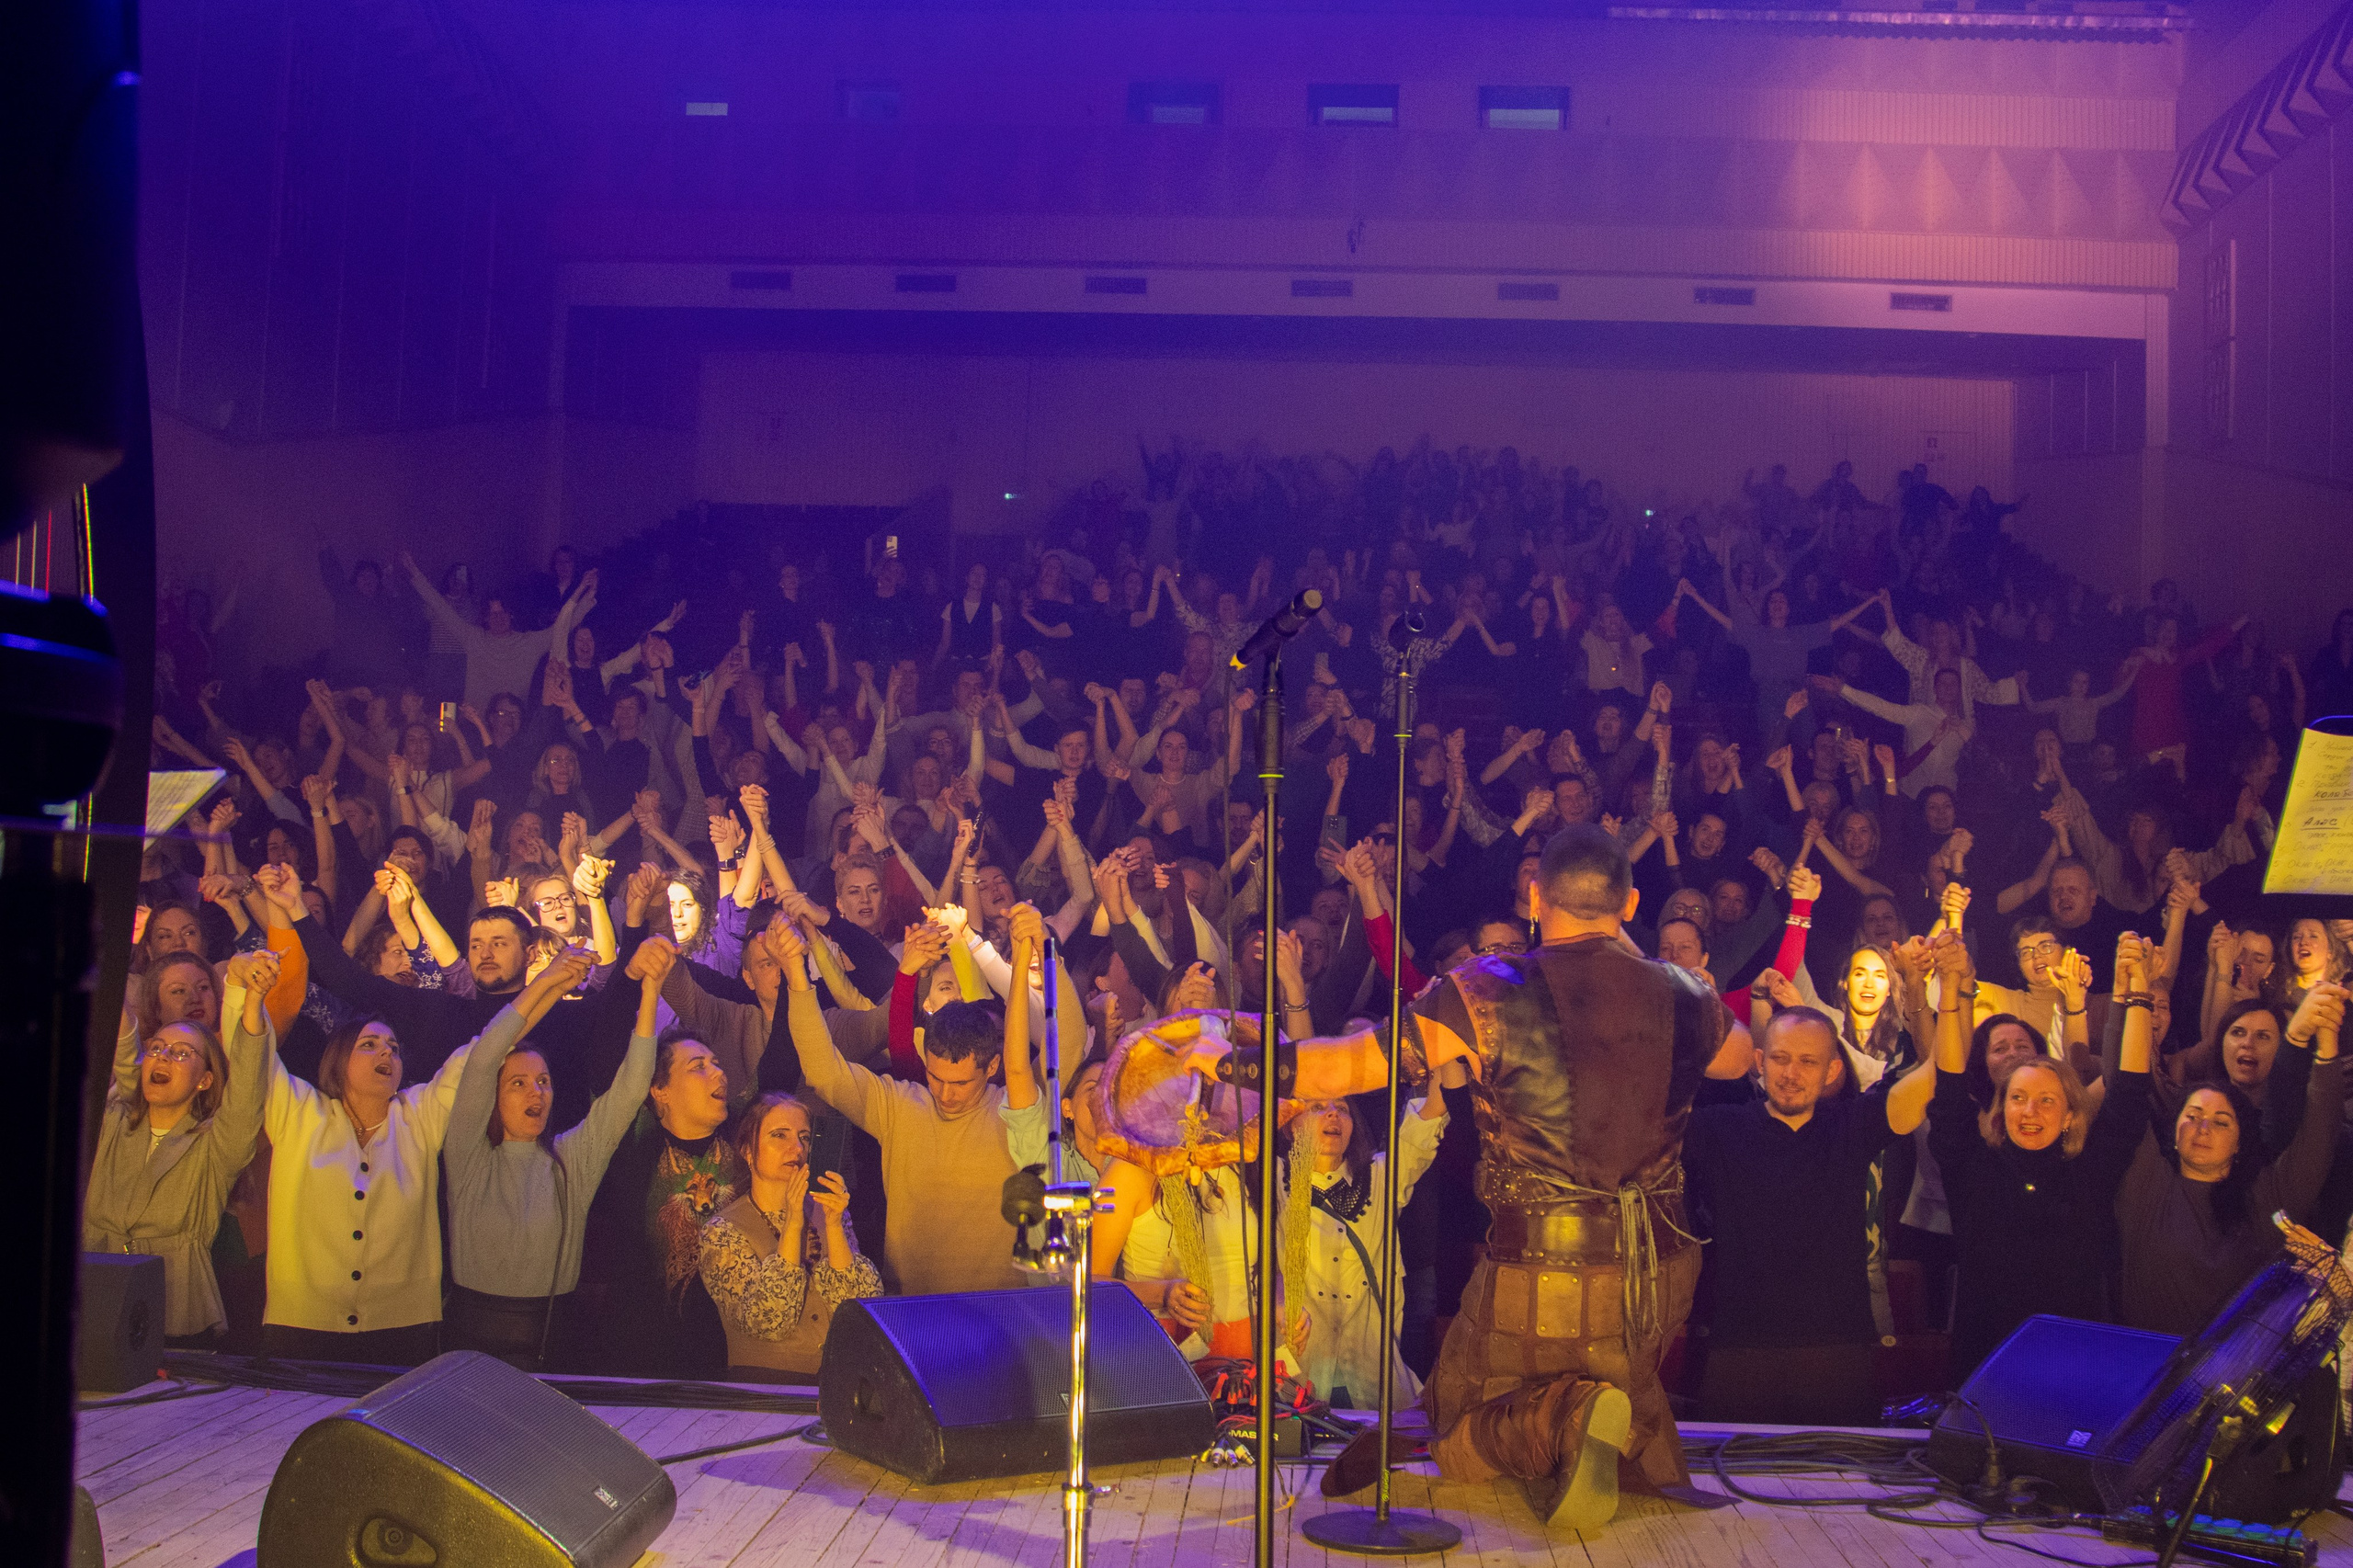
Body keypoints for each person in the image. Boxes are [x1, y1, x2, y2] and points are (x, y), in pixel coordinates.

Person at [1179, 824, 1756, 1530]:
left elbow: (1349, 1067)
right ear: (1631, 903)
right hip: (1659, 1275)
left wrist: (1226, 1060)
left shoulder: (1487, 988)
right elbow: (1740, 1058)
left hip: (1543, 1276)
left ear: (1537, 898)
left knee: (1459, 1416)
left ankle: (1570, 1422)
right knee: (1610, 1383)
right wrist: (1647, 964)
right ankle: (1590, 1425)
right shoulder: (1685, 993)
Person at [1684, 1006, 1932, 1425]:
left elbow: (1931, 1082)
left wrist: (1942, 992)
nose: (1791, 1073)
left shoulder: (1852, 1125)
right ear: (1760, 1062)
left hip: (1838, 1350)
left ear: (1832, 1070)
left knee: (1845, 1483)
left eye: (1807, 1061)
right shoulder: (1716, 1129)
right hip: (1738, 1351)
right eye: (1780, 1058)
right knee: (1730, 1480)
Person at [778, 911, 1035, 1296]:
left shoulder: (1017, 1115)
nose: (945, 1095)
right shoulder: (898, 1104)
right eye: (935, 1078)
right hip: (912, 1314)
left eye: (960, 1082)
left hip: (1001, 1318)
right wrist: (797, 978)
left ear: (993, 1065)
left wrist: (1031, 954)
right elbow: (823, 1072)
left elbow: (1066, 1044)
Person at [1928, 930, 2148, 1379]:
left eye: (2047, 1101)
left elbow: (2130, 1094)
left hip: (2073, 1369)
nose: (2031, 1111)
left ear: (2070, 1114)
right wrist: (1949, 990)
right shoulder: (1970, 1165)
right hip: (1984, 1370)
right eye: (2018, 1098)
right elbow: (1949, 1088)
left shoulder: (2090, 1170)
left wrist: (2139, 992)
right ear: (2000, 1108)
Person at [442, 941, 660, 1369]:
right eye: (519, 1083)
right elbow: (486, 1055)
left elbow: (631, 1090)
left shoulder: (570, 1161)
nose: (536, 1091)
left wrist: (651, 991)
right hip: (471, 1344)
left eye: (543, 1081)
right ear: (493, 1097)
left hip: (553, 1342)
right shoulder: (469, 1156)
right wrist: (548, 982)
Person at [2112, 975, 2345, 1336]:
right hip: (2145, 1374)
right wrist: (2130, 994)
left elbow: (2319, 1132)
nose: (2203, 1128)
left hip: (2232, 1385)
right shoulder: (2146, 1188)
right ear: (2173, 1132)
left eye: (2221, 1122)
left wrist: (2326, 1039)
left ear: (2240, 1142)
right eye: (2192, 1117)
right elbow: (2124, 1090)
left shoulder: (2266, 1199)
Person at [82, 951, 276, 1344]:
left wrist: (253, 1002)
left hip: (176, 1309)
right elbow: (123, 1047)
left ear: (204, 1081)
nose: (163, 1056)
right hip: (93, 1295)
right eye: (156, 1048)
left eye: (181, 1053)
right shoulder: (114, 1120)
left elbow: (245, 1094)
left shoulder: (214, 1147)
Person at [698, 1093, 884, 1381]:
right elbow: (768, 1321)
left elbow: (863, 1312)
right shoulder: (721, 1231)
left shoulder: (829, 1209)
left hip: (838, 1383)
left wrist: (834, 1226)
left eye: (805, 1137)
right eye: (779, 1135)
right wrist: (792, 1225)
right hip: (767, 1391)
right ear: (747, 1150)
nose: (796, 1147)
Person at [1290, 1088, 1450, 1410]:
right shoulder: (1274, 1184)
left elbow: (1427, 1121)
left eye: (1343, 1108)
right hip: (1297, 1380)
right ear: (1289, 1124)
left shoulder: (1380, 1178)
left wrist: (1440, 1049)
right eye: (1317, 1106)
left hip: (1373, 1380)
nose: (1333, 1114)